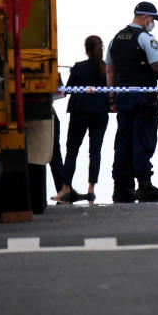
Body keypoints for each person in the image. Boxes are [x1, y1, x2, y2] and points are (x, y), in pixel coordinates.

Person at [107, 1, 158, 203]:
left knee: (123, 142)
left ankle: (121, 188)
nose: (153, 23)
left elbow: (110, 71)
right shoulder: (146, 38)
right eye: (153, 19)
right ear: (146, 17)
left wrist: (112, 98)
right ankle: (145, 186)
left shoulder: (115, 39)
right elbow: (157, 66)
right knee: (143, 141)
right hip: (143, 98)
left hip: (122, 97)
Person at [54, 36, 109, 204]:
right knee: (95, 152)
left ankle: (65, 189)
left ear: (87, 49)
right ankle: (91, 190)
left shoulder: (79, 67)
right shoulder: (106, 68)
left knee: (72, 151)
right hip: (100, 113)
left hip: (80, 112)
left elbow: (68, 89)